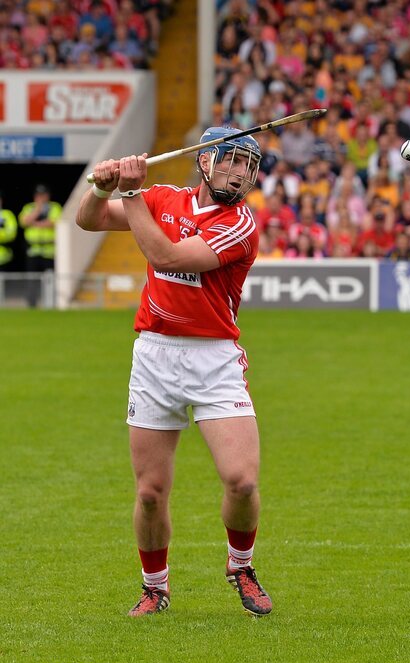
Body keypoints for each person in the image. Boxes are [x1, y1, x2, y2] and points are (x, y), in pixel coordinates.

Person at [75, 128, 274, 618]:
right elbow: (89, 220)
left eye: (247, 166)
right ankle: (154, 587)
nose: (239, 174)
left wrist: (129, 190)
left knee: (242, 481)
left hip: (214, 359)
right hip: (155, 357)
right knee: (149, 493)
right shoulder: (164, 198)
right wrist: (101, 187)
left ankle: (241, 565)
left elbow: (164, 256)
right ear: (204, 161)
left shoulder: (240, 223)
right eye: (230, 162)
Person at [18, 184, 62, 307]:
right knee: (32, 278)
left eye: (43, 195)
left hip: (49, 250)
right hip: (33, 250)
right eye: (39, 195)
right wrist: (37, 210)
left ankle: (51, 303)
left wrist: (35, 223)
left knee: (50, 279)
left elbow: (54, 222)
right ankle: (32, 304)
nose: (41, 198)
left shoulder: (55, 207)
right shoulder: (29, 207)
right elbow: (24, 222)